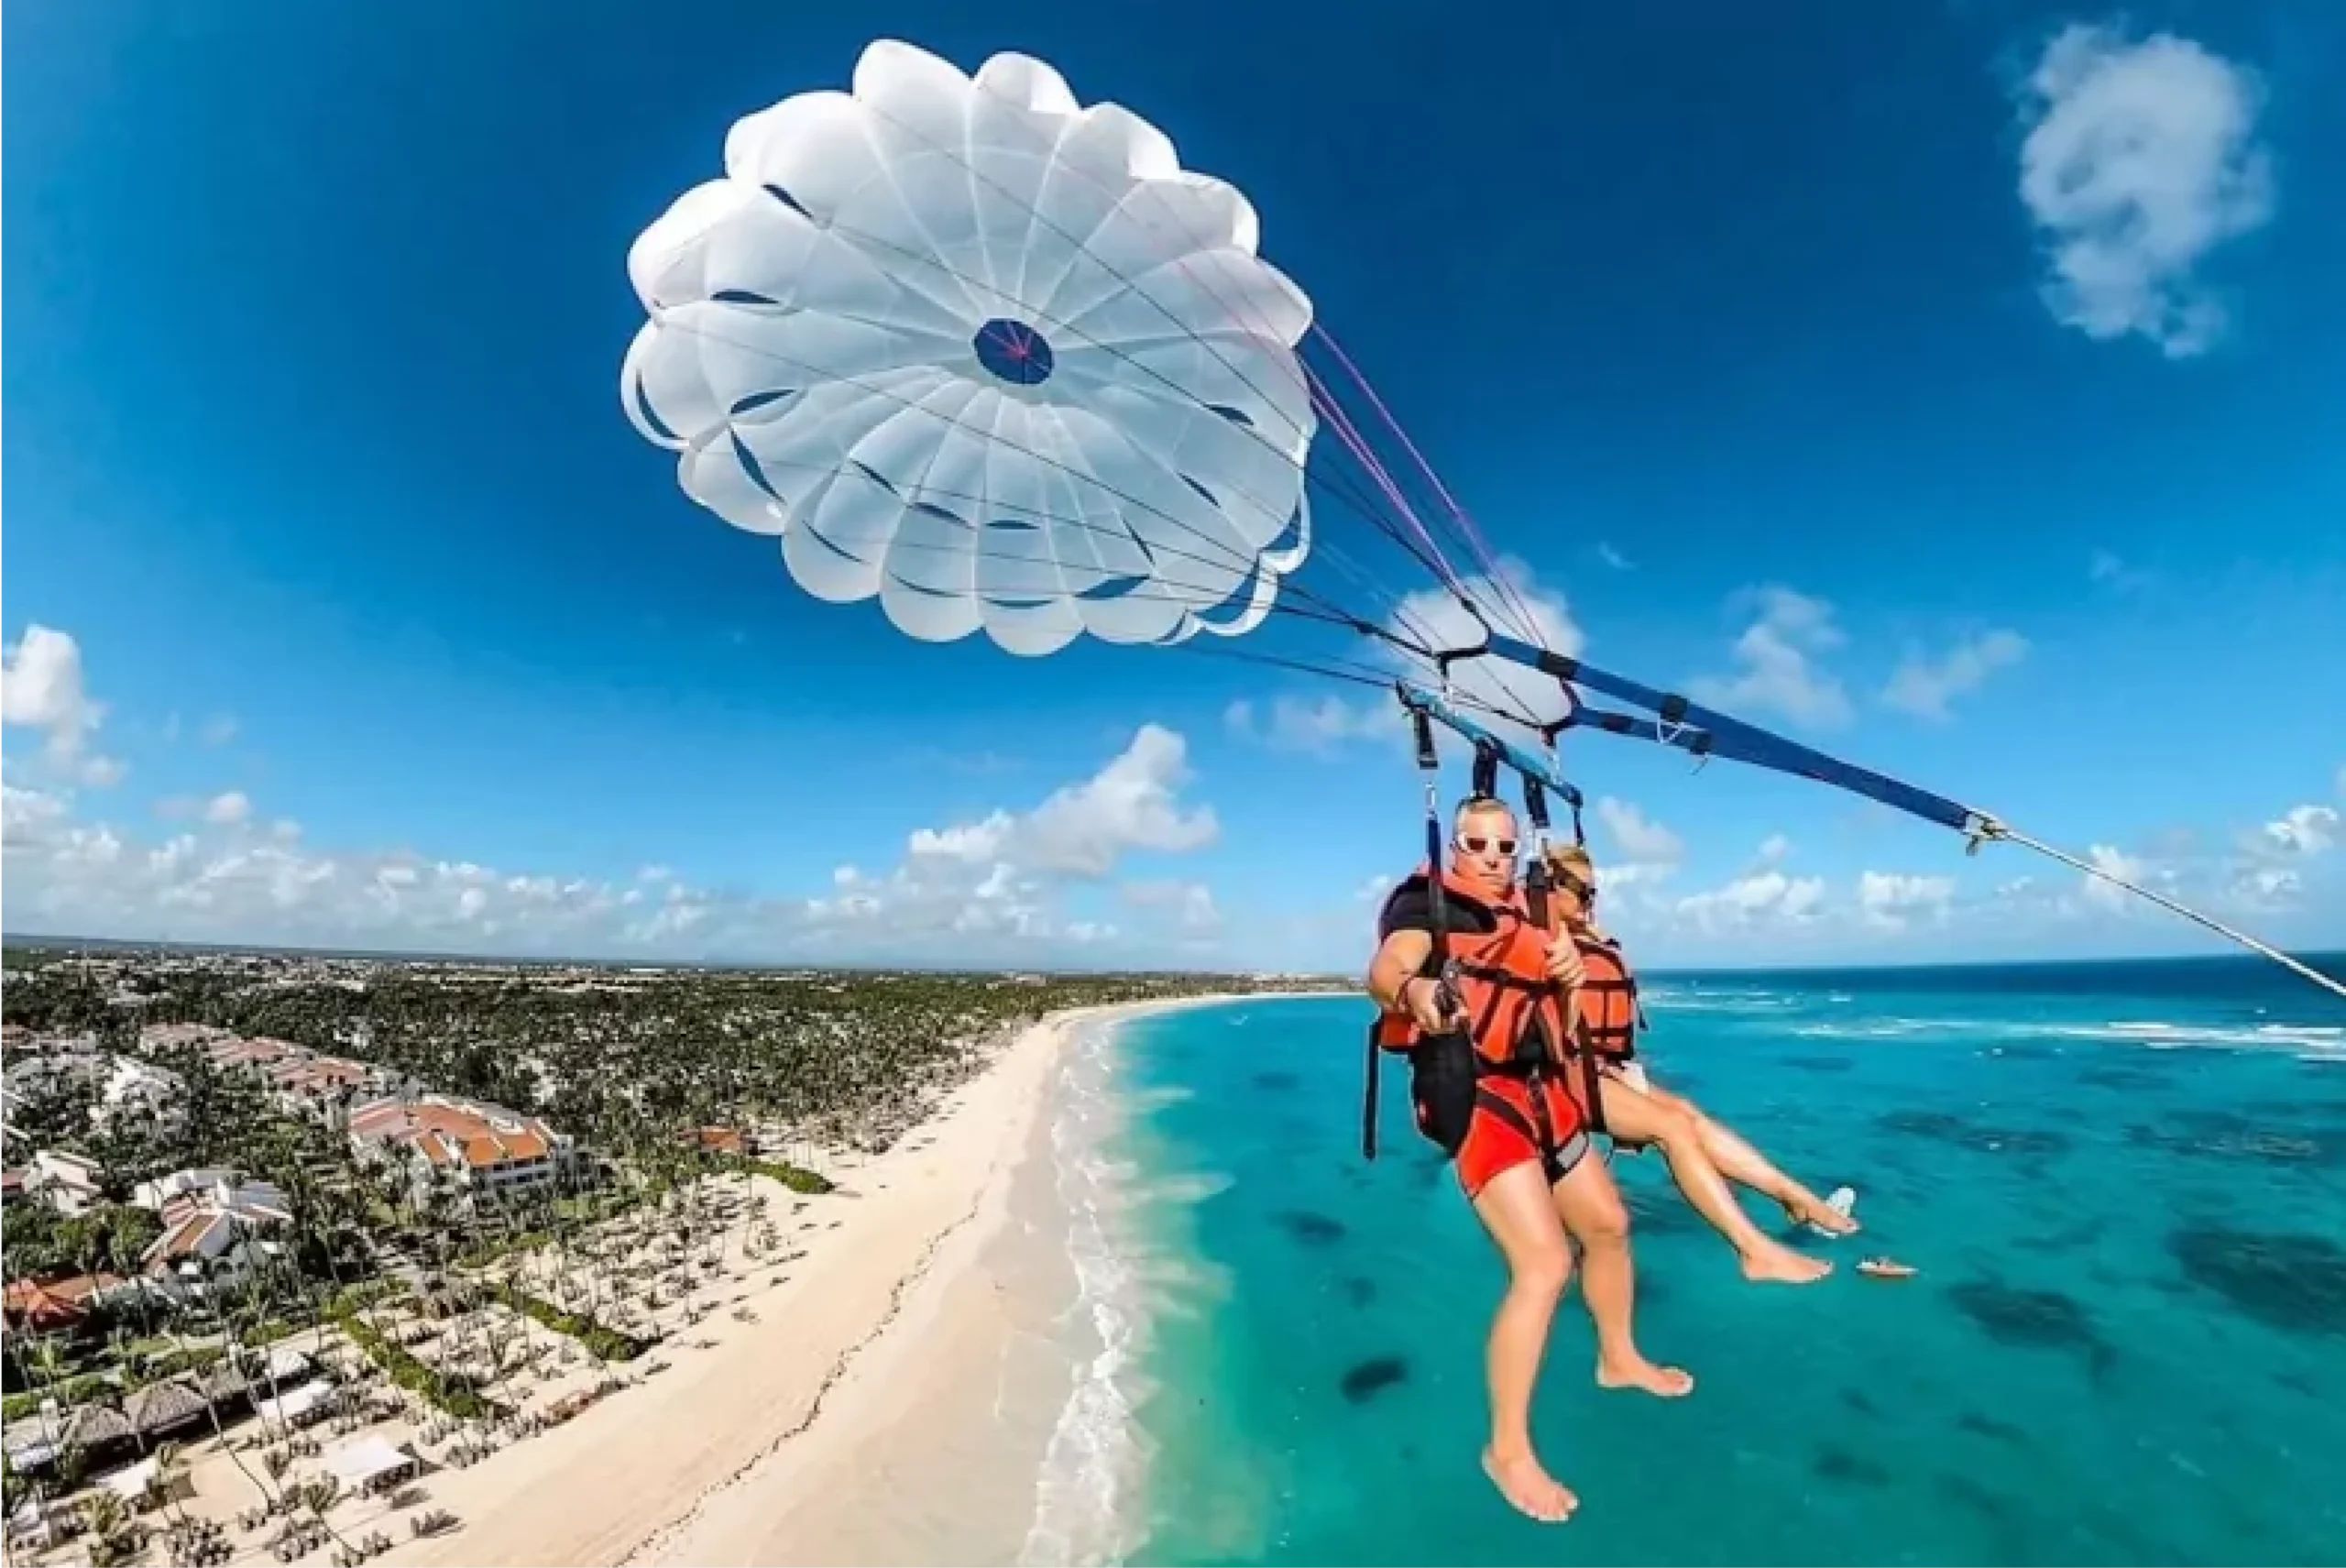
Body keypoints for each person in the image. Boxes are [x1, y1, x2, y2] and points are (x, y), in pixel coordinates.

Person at [1366, 795, 1690, 1526]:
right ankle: (1507, 1450)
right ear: (1454, 846)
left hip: (1545, 1091)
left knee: (1607, 1223)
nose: (1490, 858)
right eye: (1476, 845)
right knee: (1544, 1265)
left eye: (1503, 847)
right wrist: (1416, 991)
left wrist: (1571, 976)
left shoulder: (1535, 911)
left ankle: (1618, 1356)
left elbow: (1560, 1019)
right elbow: (1389, 968)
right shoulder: (1430, 906)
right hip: (1483, 1102)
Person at [1540, 841, 1858, 1285]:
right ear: (1548, 889)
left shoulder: (1583, 937)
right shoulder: (1539, 941)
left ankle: (1792, 1194)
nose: (1592, 903)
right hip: (1563, 1079)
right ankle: (1754, 1250)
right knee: (1672, 1130)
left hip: (1606, 1071)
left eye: (1595, 893)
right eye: (1583, 892)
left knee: (1688, 1114)